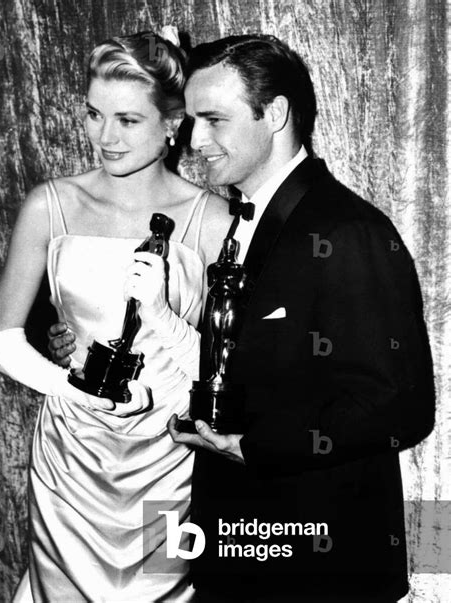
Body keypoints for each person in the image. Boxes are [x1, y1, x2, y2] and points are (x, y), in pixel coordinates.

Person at [164, 35, 435, 602]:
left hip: (319, 570)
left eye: (213, 119)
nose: (194, 140)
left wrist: (251, 445)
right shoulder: (243, 222)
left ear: (278, 114)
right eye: (191, 120)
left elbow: (400, 406)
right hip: (244, 551)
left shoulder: (347, 231)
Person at [0, 31, 231, 601]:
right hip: (72, 454)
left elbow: (232, 368)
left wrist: (166, 320)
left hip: (169, 454)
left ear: (173, 124)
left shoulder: (213, 220)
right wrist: (74, 388)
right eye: (95, 114)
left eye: (128, 120)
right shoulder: (51, 203)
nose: (104, 136)